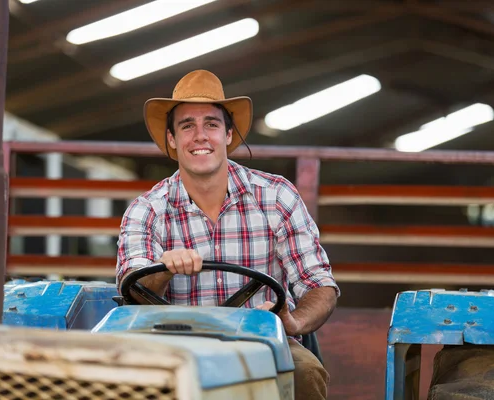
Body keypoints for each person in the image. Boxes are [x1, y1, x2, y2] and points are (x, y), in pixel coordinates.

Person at [116, 69, 340, 400]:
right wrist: (162, 269)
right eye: (187, 125)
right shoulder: (147, 209)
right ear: (172, 140)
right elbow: (132, 284)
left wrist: (293, 322)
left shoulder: (277, 196)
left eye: (211, 124)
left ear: (228, 134)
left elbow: (320, 284)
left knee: (304, 372)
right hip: (179, 347)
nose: (200, 136)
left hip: (263, 344)